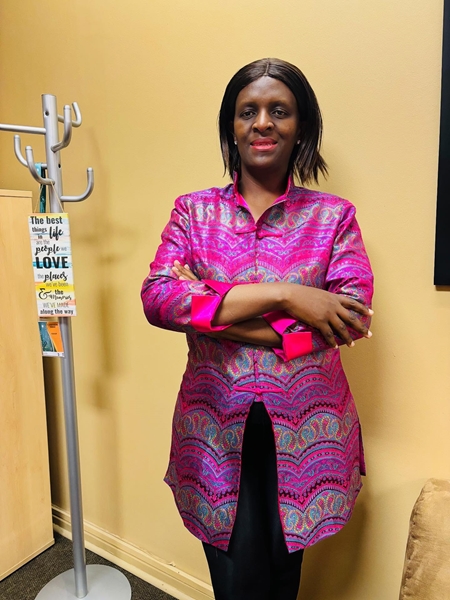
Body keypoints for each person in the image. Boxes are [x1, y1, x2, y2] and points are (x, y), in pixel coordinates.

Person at [141, 58, 374, 600]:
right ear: (231, 126)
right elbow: (160, 298)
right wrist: (289, 296)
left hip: (309, 429)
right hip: (213, 430)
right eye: (248, 111)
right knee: (236, 579)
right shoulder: (193, 213)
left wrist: (210, 308)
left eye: (279, 111)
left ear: (301, 127)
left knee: (282, 577)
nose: (263, 122)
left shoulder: (334, 218)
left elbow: (348, 320)